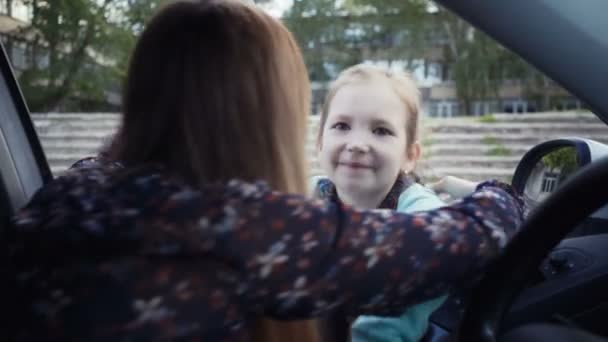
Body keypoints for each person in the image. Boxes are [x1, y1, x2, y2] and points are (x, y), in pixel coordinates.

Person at [7, 0, 524, 341]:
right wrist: (503, 191)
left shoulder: (74, 187)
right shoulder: (244, 225)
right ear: (264, 114)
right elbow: (471, 237)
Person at [312, 64, 456, 341]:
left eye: (380, 131)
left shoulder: (421, 214)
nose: (356, 143)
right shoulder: (311, 193)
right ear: (320, 142)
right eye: (342, 126)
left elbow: (381, 329)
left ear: (409, 155)